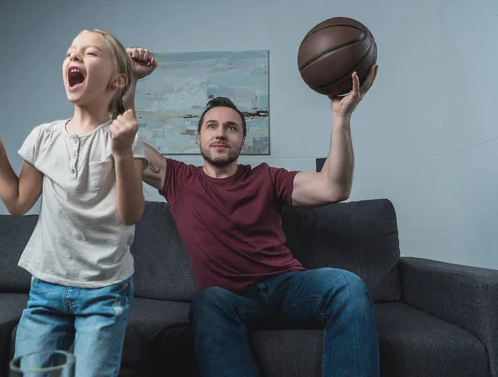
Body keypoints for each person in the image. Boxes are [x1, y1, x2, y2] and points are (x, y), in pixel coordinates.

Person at [127, 48, 380, 377]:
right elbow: (125, 140)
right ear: (199, 137)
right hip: (231, 301)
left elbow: (334, 187)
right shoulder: (177, 178)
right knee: (206, 303)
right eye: (212, 126)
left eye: (231, 128)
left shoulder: (266, 177)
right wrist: (130, 81)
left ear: (243, 140)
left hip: (288, 288)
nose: (221, 133)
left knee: (347, 286)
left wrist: (341, 118)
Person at [0, 30, 152, 376]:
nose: (73, 58)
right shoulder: (43, 136)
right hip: (46, 286)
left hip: (104, 290)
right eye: (69, 53)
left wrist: (122, 152)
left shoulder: (125, 137)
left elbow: (131, 213)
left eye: (89, 53)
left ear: (117, 80)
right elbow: (18, 203)